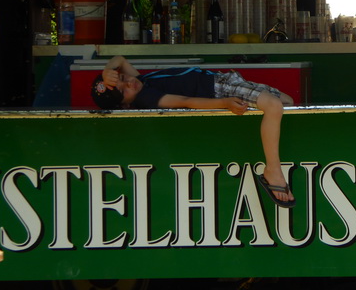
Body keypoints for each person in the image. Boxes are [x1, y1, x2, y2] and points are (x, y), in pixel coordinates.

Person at [91, 56, 296, 208]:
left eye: (123, 77)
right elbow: (184, 101)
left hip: (224, 81)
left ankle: (273, 166)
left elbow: (119, 59)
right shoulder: (147, 98)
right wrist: (224, 103)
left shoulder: (140, 82)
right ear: (124, 104)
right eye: (123, 89)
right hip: (219, 90)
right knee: (274, 106)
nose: (129, 83)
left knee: (287, 102)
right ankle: (273, 171)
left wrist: (106, 71)